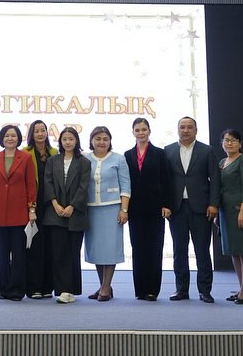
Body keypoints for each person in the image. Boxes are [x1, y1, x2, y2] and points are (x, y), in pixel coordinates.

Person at [164, 116, 220, 303]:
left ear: (196, 130)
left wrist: (213, 204)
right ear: (177, 129)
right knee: (179, 250)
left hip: (202, 208)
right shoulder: (168, 150)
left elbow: (215, 180)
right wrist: (165, 204)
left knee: (202, 250)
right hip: (177, 209)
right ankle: (181, 290)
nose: (186, 130)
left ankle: (205, 290)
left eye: (189, 127)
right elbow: (164, 182)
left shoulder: (207, 150)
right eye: (182, 127)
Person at [0, 124, 37, 301]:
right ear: (2, 138)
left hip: (19, 213)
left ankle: (16, 290)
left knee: (18, 254)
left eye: (13, 136)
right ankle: (4, 289)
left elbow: (31, 185)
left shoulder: (25, 158)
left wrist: (32, 209)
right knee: (1, 254)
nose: (10, 138)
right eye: (7, 135)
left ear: (18, 138)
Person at [124, 117, 172, 301]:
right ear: (133, 132)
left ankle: (152, 289)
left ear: (149, 131)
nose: (141, 132)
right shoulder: (127, 155)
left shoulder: (160, 154)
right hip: (135, 209)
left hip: (155, 209)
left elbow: (166, 180)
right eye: (137, 130)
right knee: (138, 248)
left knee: (154, 248)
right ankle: (140, 289)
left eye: (144, 129)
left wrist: (167, 204)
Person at [42, 127, 90, 304]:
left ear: (76, 141)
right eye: (64, 139)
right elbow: (47, 183)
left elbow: (84, 187)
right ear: (60, 142)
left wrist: (72, 206)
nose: (68, 142)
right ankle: (62, 290)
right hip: (55, 213)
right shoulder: (53, 160)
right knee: (58, 253)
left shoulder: (84, 162)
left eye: (71, 139)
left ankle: (71, 290)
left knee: (72, 253)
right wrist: (54, 203)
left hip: (75, 214)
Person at [83, 126, 131, 302]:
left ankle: (105, 287)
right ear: (91, 141)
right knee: (96, 250)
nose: (101, 142)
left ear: (110, 141)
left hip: (112, 209)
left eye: (105, 139)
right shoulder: (84, 158)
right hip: (91, 209)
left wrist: (123, 210)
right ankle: (103, 285)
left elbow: (125, 186)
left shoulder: (119, 159)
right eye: (98, 139)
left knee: (110, 249)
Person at [217, 129, 243, 304]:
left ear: (240, 143)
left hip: (239, 209)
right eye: (226, 140)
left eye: (233, 140)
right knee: (234, 251)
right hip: (225, 211)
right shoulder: (221, 162)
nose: (229, 143)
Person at [22, 119, 56, 299]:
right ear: (31, 134)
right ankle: (33, 287)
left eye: (43, 130)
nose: (41, 134)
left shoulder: (54, 152)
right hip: (32, 205)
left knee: (49, 246)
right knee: (33, 245)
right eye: (37, 131)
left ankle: (46, 288)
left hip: (51, 205)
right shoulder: (25, 153)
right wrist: (30, 206)